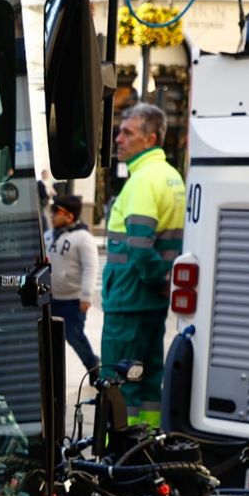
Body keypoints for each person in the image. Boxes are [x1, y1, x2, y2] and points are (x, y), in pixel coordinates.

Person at [101, 103, 185, 425]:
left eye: (127, 132)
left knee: (119, 384)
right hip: (151, 304)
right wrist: (165, 283)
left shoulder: (142, 181)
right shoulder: (171, 177)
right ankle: (147, 444)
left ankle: (117, 452)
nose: (118, 138)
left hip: (128, 301)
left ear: (149, 139)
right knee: (149, 380)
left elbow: (139, 249)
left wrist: (158, 279)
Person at [47, 194, 100, 372]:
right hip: (50, 299)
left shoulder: (83, 238)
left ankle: (92, 364)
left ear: (69, 216)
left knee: (73, 335)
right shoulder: (48, 235)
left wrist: (86, 296)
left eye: (57, 211)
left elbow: (90, 267)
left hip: (73, 300)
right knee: (50, 339)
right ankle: (52, 372)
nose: (52, 215)